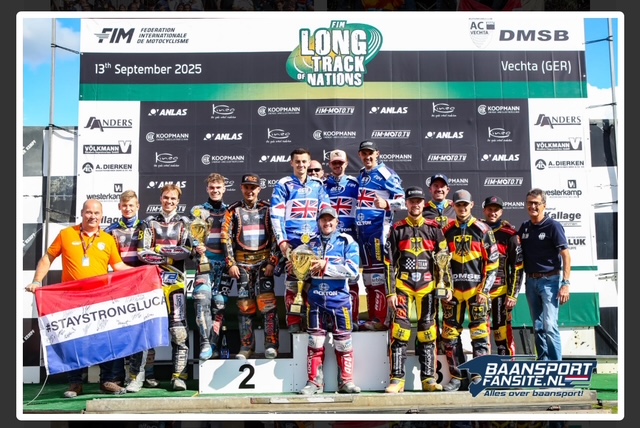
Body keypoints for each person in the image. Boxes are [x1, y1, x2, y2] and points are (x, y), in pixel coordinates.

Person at [25, 199, 133, 398]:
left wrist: (145, 272)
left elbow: (118, 267)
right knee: (74, 341)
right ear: (82, 213)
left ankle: (107, 381)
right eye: (89, 212)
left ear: (102, 216)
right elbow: (48, 257)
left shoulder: (108, 239)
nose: (92, 216)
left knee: (105, 339)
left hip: (100, 300)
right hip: (72, 300)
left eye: (96, 213)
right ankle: (75, 384)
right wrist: (37, 281)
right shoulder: (66, 234)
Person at [384, 186, 447, 393]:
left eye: (419, 201)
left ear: (423, 203)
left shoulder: (434, 228)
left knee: (428, 333)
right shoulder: (397, 229)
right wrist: (391, 292)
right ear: (407, 204)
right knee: (400, 332)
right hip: (403, 287)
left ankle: (428, 379)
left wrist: (445, 286)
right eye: (412, 201)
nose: (415, 205)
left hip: (427, 288)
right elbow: (388, 263)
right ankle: (397, 380)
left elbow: (444, 261)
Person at [441, 189, 499, 391]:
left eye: (465, 205)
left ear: (471, 205)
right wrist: (444, 288)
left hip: (476, 291)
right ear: (453, 206)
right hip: (453, 292)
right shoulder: (446, 230)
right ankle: (457, 377)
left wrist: (484, 291)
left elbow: (493, 263)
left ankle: (478, 376)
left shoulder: (483, 230)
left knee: (480, 334)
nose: (462, 208)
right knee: (450, 335)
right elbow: (441, 264)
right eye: (458, 205)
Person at [298, 207, 361, 395]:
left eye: (330, 220)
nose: (327, 223)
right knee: (315, 342)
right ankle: (314, 383)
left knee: (344, 343)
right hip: (316, 300)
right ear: (318, 222)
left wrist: (326, 265)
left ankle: (346, 382)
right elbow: (302, 270)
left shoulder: (347, 241)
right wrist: (297, 267)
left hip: (340, 301)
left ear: (337, 222)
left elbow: (353, 272)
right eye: (323, 220)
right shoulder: (310, 242)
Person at [137, 184, 193, 391]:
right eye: (166, 198)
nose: (169, 201)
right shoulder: (148, 222)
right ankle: (142, 376)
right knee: (148, 329)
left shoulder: (185, 223)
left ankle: (178, 376)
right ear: (161, 198)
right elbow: (143, 252)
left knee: (179, 331)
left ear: (178, 201)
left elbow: (187, 250)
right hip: (153, 282)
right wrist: (170, 255)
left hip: (176, 282)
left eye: (173, 199)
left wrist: (159, 249)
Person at [271, 147, 332, 332]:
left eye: (304, 161)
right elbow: (276, 215)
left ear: (308, 162)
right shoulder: (284, 184)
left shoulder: (318, 185)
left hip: (314, 242)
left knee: (315, 282)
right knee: (292, 282)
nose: (301, 165)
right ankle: (294, 322)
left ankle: (315, 322)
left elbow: (325, 211)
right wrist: (282, 241)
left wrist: (325, 239)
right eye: (297, 161)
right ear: (292, 163)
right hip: (293, 241)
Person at [221, 173, 281, 359]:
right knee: (245, 306)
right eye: (246, 187)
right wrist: (230, 263)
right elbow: (225, 238)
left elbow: (277, 236)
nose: (250, 191)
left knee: (267, 304)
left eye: (253, 188)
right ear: (241, 188)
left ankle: (271, 344)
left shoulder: (268, 209)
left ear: (259, 189)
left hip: (263, 263)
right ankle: (246, 347)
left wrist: (272, 261)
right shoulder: (233, 210)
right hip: (242, 263)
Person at [104, 190, 158, 393]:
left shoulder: (147, 227)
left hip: (142, 285)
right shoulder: (110, 230)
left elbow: (154, 255)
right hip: (119, 286)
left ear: (138, 206)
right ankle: (119, 377)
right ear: (119, 206)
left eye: (131, 205)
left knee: (144, 330)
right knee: (120, 331)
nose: (128, 209)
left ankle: (145, 374)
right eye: (124, 205)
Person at [355, 140, 405, 331]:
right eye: (364, 153)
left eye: (370, 153)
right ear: (360, 155)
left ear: (377, 153)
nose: (367, 157)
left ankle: (382, 319)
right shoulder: (362, 173)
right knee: (368, 276)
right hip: (363, 232)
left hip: (379, 231)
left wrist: (387, 204)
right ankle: (373, 317)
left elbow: (403, 201)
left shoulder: (385, 173)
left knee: (378, 275)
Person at [517, 188, 571, 361]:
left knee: (550, 325)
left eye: (536, 203)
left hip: (550, 281)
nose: (532, 207)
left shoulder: (553, 226)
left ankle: (556, 367)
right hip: (530, 282)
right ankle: (543, 364)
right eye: (529, 203)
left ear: (544, 205)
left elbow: (566, 256)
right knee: (538, 326)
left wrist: (565, 284)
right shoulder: (525, 227)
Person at [190, 173, 232, 361]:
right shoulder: (197, 211)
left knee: (219, 305)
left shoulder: (230, 211)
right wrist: (195, 247)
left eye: (218, 187)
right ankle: (205, 343)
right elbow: (191, 236)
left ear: (224, 189)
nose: (215, 191)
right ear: (207, 189)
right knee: (202, 299)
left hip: (224, 266)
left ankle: (214, 343)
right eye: (212, 188)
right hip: (204, 263)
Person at [480, 195, 524, 356]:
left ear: (501, 212)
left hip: (500, 292)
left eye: (496, 210)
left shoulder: (510, 234)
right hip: (480, 292)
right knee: (480, 333)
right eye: (489, 209)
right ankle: (483, 365)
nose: (492, 213)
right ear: (484, 210)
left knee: (501, 333)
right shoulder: (477, 230)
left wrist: (512, 294)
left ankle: (507, 366)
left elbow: (517, 267)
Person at [323, 149, 361, 327]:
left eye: (340, 163)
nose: (337, 166)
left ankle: (353, 319)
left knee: (351, 278)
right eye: (334, 163)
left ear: (346, 164)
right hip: (329, 238)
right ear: (330, 165)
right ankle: (329, 319)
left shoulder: (355, 183)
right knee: (328, 277)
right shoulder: (323, 184)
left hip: (350, 237)